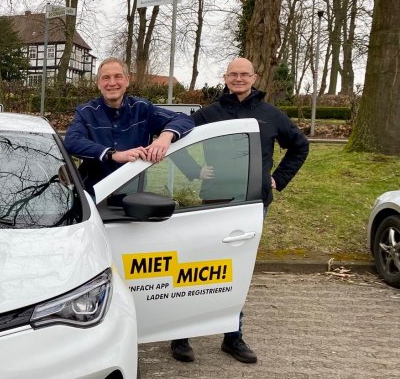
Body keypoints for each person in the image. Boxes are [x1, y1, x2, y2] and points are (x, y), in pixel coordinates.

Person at [169, 57, 309, 365]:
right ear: (225, 77)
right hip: (212, 204)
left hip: (251, 205)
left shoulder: (271, 115)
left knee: (238, 271)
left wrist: (277, 179)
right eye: (233, 74)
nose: (239, 78)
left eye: (244, 74)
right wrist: (194, 171)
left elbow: (300, 146)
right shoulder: (208, 114)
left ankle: (232, 337)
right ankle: (181, 335)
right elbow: (172, 140)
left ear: (254, 77)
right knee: (197, 268)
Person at [64, 57, 194, 192]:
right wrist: (113, 154)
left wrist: (165, 137)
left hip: (133, 196)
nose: (112, 83)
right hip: (92, 196)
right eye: (106, 78)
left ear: (127, 80)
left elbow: (184, 119)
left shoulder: (142, 109)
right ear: (98, 83)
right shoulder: (86, 112)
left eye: (118, 76)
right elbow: (72, 141)